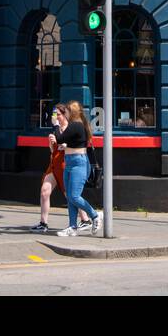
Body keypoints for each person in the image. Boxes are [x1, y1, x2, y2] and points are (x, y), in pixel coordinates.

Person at [31, 103, 91, 234]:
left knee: (70, 195)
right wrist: (51, 144)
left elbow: (70, 144)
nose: (55, 117)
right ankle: (43, 223)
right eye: (54, 114)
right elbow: (53, 150)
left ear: (65, 115)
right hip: (54, 163)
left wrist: (62, 143)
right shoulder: (57, 129)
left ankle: (86, 219)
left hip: (66, 164)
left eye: (58, 114)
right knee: (44, 191)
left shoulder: (71, 127)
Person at [49, 100, 103, 237]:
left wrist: (55, 125)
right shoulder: (77, 126)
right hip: (70, 161)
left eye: (66, 111)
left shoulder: (75, 125)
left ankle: (95, 215)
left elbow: (60, 138)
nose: (64, 113)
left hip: (78, 163)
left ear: (70, 112)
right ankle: (72, 226)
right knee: (70, 197)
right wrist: (66, 146)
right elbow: (76, 142)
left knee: (74, 196)